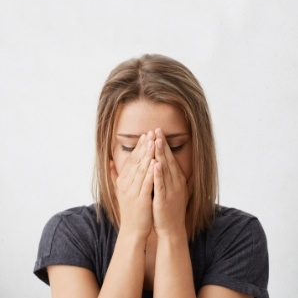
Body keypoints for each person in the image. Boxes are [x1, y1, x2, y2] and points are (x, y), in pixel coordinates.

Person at [34, 54, 269, 298]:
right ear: (109, 152)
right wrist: (132, 233)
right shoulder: (70, 233)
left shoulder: (240, 235)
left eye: (174, 146)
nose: (153, 162)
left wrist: (172, 235)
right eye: (131, 147)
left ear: (199, 150)